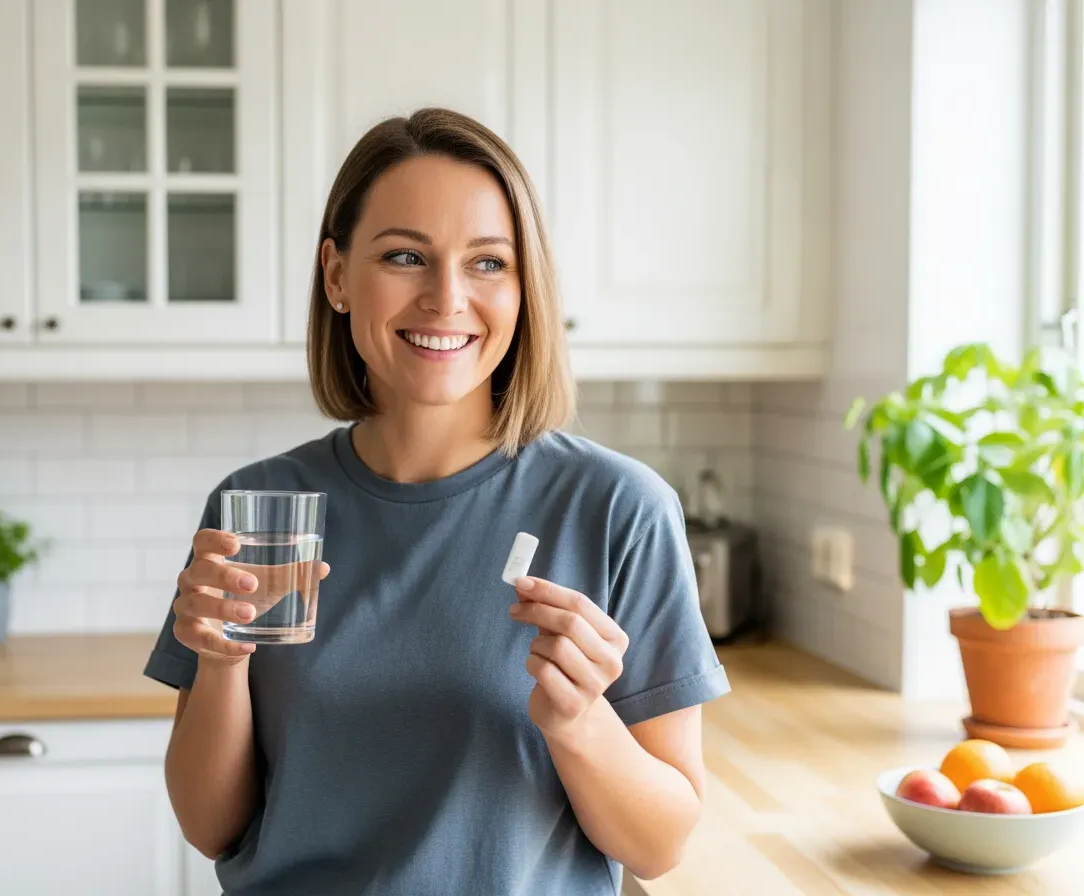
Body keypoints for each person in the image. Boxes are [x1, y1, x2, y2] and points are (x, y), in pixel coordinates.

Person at [143, 107, 730, 896]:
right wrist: (220, 664)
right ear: (337, 276)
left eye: (488, 263)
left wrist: (580, 723)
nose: (447, 297)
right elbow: (211, 826)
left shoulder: (618, 510)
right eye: (405, 256)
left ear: (525, 290)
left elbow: (659, 847)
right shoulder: (258, 509)